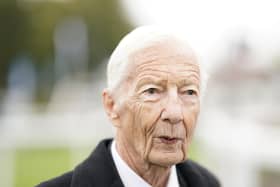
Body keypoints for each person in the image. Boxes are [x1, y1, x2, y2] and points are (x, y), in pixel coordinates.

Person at [36, 26, 220, 187]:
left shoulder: (207, 183)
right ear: (111, 106)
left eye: (189, 92)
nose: (174, 113)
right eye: (152, 91)